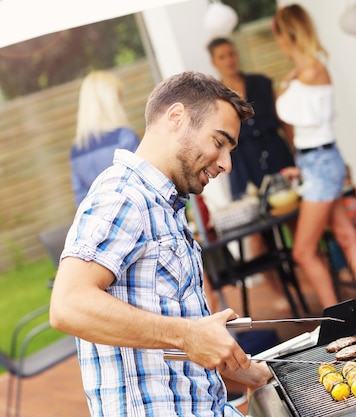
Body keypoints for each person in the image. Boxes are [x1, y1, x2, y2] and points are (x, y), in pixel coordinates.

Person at [49, 71, 272, 417]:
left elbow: (179, 331)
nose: (227, 164)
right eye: (219, 142)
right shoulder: (123, 197)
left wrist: (249, 372)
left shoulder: (164, 205)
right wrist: (187, 336)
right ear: (176, 118)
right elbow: (68, 305)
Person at [272, 4, 356, 309]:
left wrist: (285, 86)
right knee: (346, 236)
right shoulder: (306, 72)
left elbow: (286, 110)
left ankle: (338, 318)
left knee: (303, 251)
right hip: (316, 161)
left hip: (320, 163)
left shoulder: (310, 72)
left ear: (287, 36)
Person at [207, 37, 296, 311]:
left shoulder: (260, 82)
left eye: (232, 53)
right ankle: (277, 289)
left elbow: (283, 122)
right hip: (243, 165)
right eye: (222, 56)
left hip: (275, 154)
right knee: (257, 235)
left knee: (295, 220)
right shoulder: (215, 99)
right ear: (214, 61)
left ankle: (309, 276)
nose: (230, 59)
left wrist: (296, 154)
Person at [70, 70, 141, 206]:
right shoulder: (124, 137)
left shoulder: (76, 150)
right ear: (111, 102)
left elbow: (81, 199)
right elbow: (144, 184)